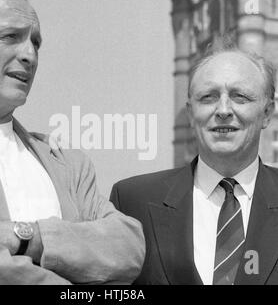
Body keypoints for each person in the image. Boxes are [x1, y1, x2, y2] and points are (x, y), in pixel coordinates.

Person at [0, 0, 145, 284]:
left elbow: (127, 247)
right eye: (10, 37)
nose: (30, 54)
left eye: (36, 42)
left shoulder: (67, 162)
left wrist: (25, 237)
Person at [110, 46, 278, 285]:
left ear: (267, 112)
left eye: (240, 96)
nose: (223, 110)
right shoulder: (132, 201)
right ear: (190, 113)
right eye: (208, 97)